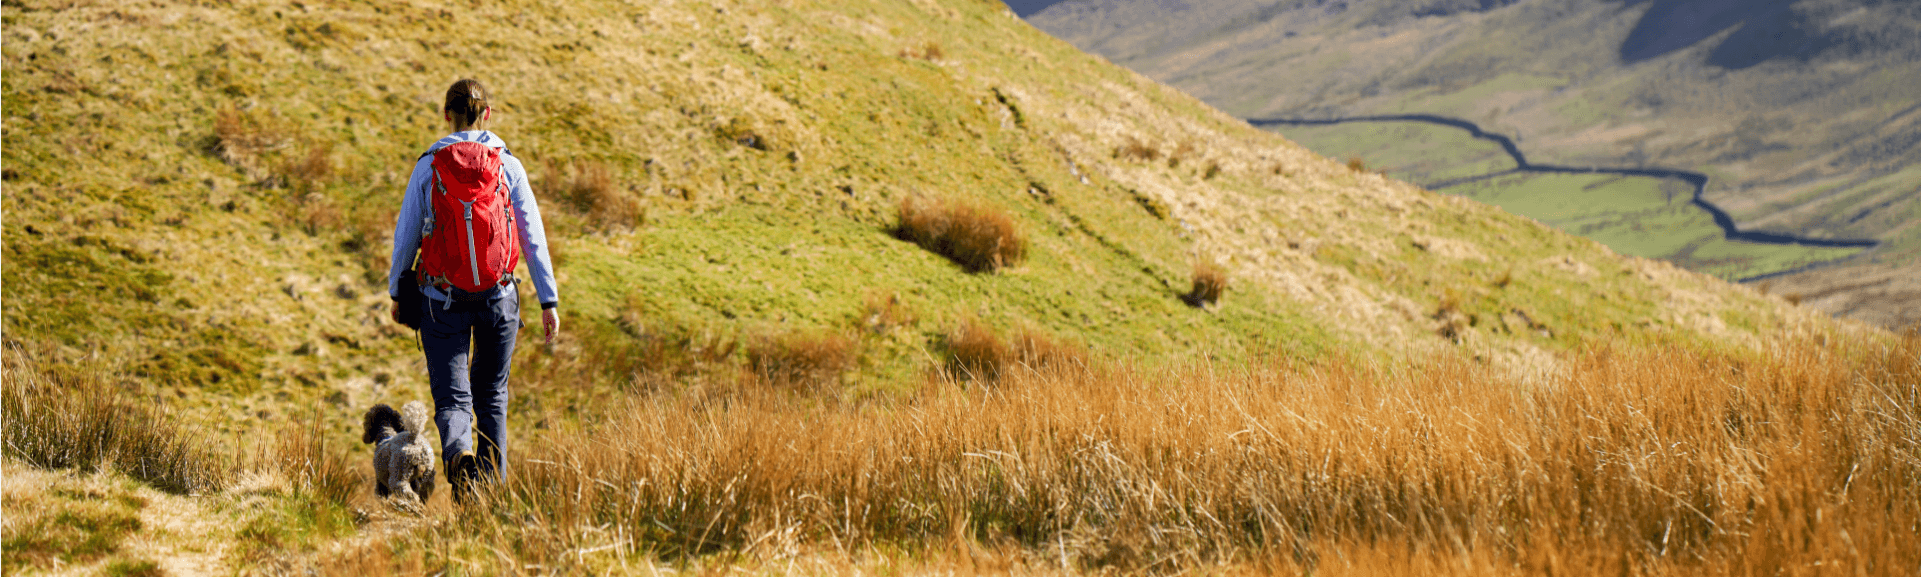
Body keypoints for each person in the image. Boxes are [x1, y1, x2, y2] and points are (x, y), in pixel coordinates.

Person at [387, 78, 559, 501]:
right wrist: (548, 299)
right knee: (492, 395)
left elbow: (406, 235)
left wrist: (397, 290)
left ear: (447, 114)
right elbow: (531, 235)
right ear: (488, 114)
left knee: (452, 396)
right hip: (499, 298)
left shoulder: (429, 165)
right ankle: (493, 494)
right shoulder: (508, 165)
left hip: (441, 300)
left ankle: (459, 455)